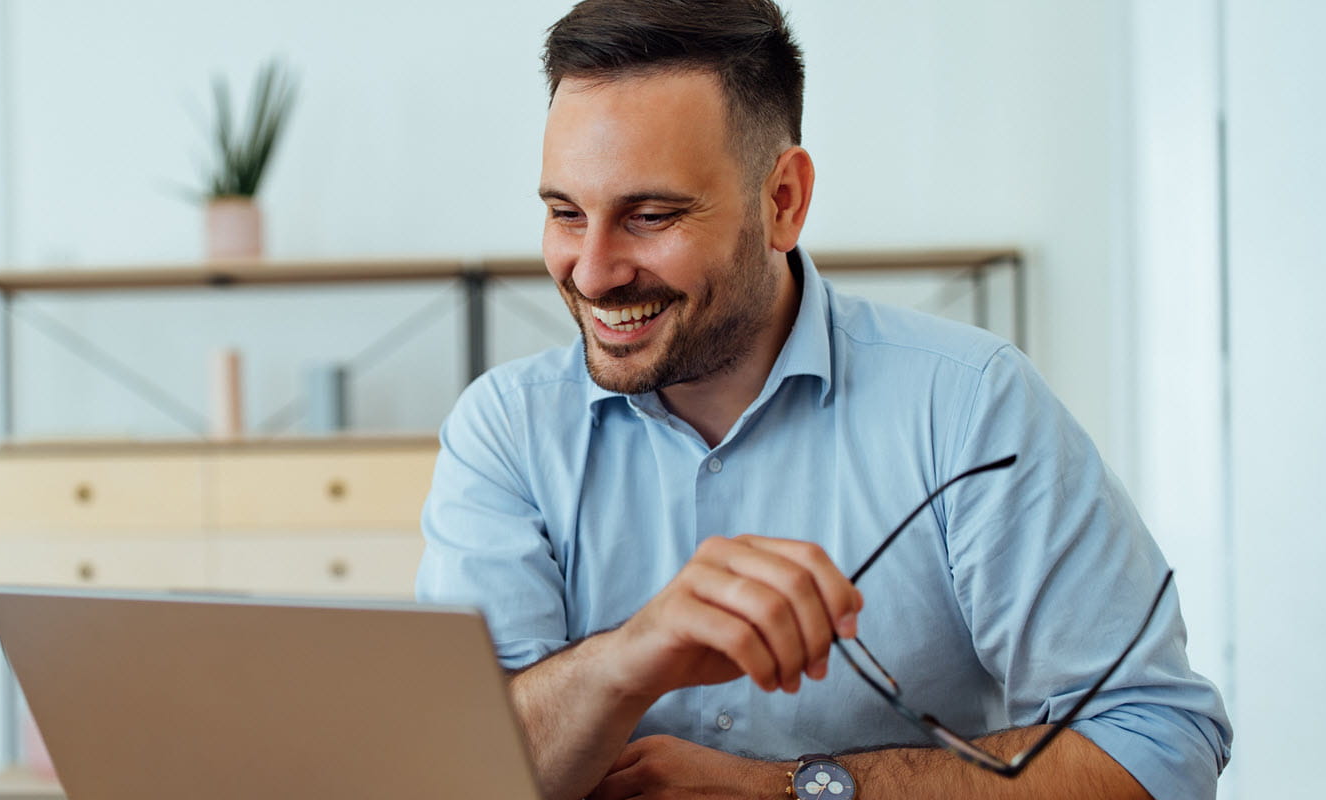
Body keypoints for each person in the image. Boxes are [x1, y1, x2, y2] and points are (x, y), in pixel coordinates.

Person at [413, 1, 1232, 798]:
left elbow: (1159, 746)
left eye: (651, 215)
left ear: (783, 202)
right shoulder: (506, 433)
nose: (591, 271)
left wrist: (802, 790)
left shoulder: (969, 406)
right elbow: (452, 775)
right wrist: (629, 657)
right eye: (565, 213)